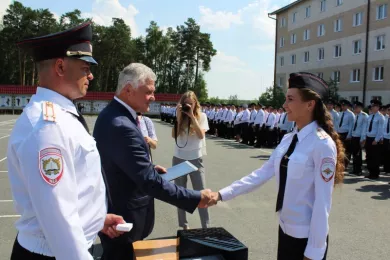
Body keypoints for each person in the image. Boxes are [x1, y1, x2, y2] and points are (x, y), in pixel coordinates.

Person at [8, 22, 125, 260]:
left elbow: (70, 190)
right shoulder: (48, 127)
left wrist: (95, 219)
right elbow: (57, 218)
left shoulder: (61, 115)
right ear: (60, 67)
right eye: (84, 67)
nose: (91, 75)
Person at [209, 72, 345, 260]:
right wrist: (222, 194)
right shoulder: (289, 139)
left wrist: (314, 250)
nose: (284, 105)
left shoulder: (322, 144)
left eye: (290, 99)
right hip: (285, 230)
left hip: (306, 238)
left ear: (309, 104)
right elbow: (261, 173)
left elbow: (323, 203)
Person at [93, 63, 212, 260]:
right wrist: (195, 197)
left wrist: (148, 167)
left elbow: (122, 164)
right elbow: (150, 182)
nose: (153, 97)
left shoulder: (114, 116)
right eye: (148, 92)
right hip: (122, 222)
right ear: (129, 90)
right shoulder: (122, 125)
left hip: (119, 217)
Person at [172, 91, 210, 229]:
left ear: (195, 103)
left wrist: (192, 117)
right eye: (185, 103)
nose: (188, 106)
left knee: (201, 194)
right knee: (180, 194)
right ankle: (184, 226)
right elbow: (173, 136)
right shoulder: (180, 116)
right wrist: (178, 118)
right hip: (179, 158)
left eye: (190, 103)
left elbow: (201, 136)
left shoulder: (202, 116)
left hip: (195, 159)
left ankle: (205, 227)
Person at [362, 99, 385, 179]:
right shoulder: (370, 116)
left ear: (378, 107)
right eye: (372, 106)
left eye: (374, 106)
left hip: (375, 139)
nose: (372, 107)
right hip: (368, 138)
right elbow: (366, 128)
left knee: (375, 157)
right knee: (368, 156)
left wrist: (376, 139)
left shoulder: (381, 117)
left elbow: (380, 130)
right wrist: (364, 137)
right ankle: (370, 172)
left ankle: (375, 173)